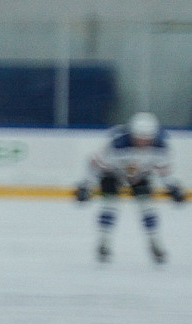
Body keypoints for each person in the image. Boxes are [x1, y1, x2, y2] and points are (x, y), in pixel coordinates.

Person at [76, 111, 180, 263]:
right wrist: (86, 186)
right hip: (113, 173)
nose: (143, 142)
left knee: (147, 207)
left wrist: (172, 187)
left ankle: (154, 242)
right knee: (110, 205)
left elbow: (163, 170)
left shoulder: (160, 147)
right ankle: (104, 242)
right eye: (139, 137)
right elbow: (96, 165)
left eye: (147, 138)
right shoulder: (117, 145)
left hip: (140, 175)